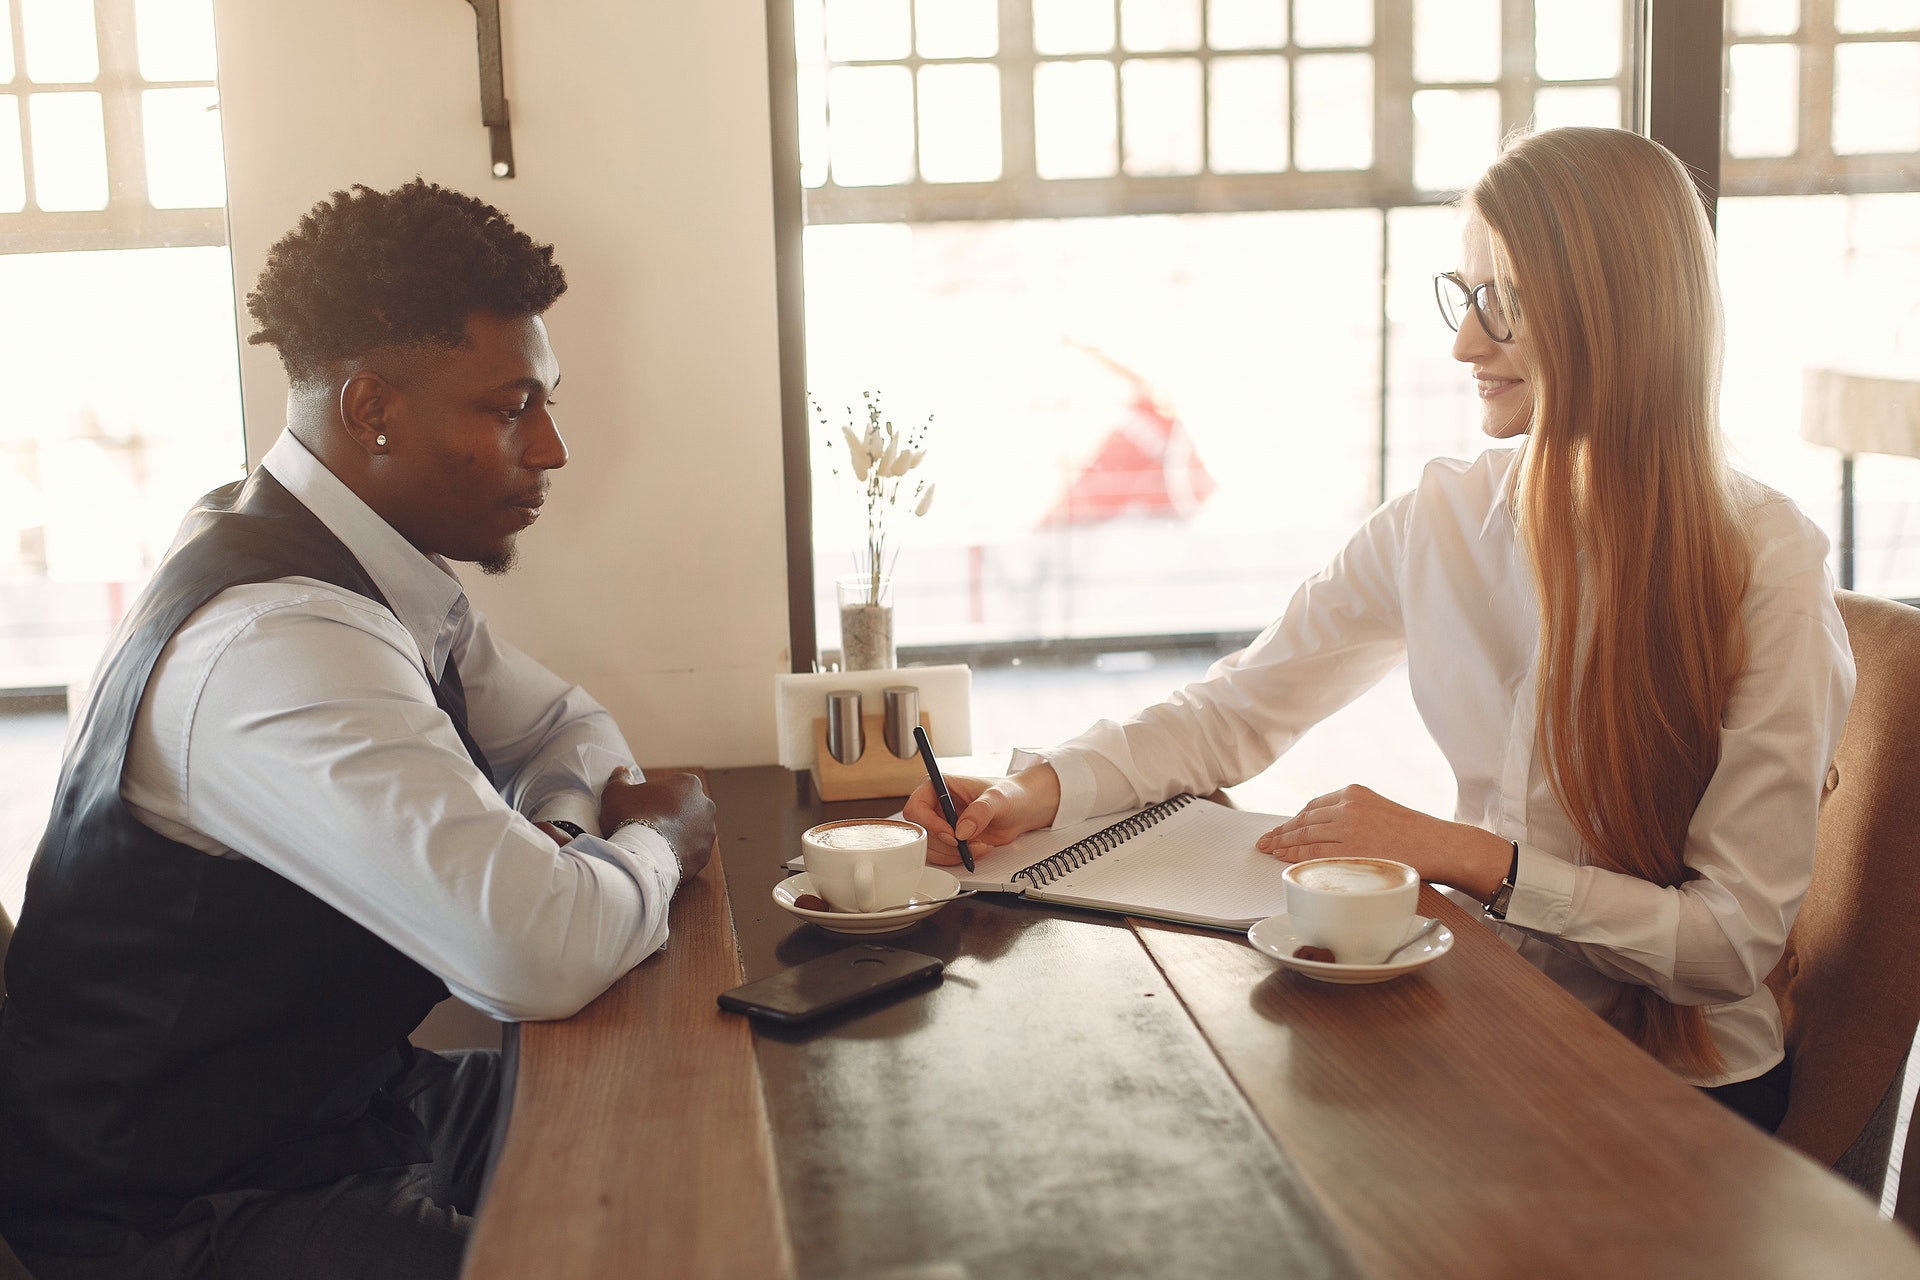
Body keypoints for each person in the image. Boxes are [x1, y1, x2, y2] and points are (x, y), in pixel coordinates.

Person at [906, 128, 1854, 1131]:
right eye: (1466, 292)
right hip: (1499, 1021)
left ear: (1619, 316)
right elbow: (1234, 709)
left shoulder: (1768, 565)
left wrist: (1457, 853)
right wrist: (1033, 788)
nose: (1464, 344)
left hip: (1686, 1095)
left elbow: (1730, 944)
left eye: (1508, 302)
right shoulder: (1443, 520)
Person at [0, 180, 716, 1279]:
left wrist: (564, 838)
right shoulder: (281, 642)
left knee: (683, 1124)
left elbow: (566, 728)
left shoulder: (346, 565)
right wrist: (654, 839)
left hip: (337, 1106)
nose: (554, 446)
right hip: (179, 1207)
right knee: (628, 1246)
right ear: (372, 408)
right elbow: (530, 955)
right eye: (512, 406)